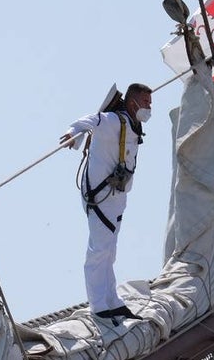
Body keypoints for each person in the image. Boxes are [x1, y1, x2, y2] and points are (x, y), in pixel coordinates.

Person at [60, 83, 152, 323]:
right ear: (132, 102)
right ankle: (98, 305)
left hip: (117, 197)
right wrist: (73, 134)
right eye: (146, 102)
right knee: (99, 250)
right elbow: (87, 121)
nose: (149, 107)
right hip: (100, 196)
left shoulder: (134, 126)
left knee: (109, 251)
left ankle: (112, 300)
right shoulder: (113, 121)